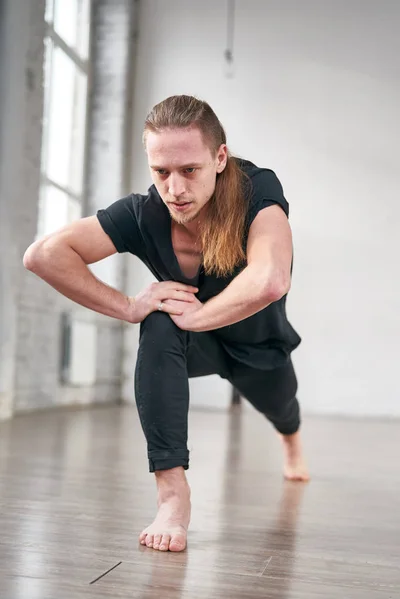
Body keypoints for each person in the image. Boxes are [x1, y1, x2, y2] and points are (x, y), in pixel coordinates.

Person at [23, 95, 309, 554]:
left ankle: (291, 442)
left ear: (219, 158)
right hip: (190, 342)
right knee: (157, 323)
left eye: (189, 170)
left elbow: (271, 278)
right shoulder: (143, 213)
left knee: (283, 407)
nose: (174, 188)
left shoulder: (257, 189)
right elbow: (42, 255)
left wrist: (197, 315)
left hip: (258, 342)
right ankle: (173, 496)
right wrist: (127, 306)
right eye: (161, 172)